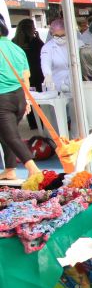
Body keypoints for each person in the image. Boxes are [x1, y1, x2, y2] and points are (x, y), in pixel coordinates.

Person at [0, 14, 39, 181]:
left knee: (11, 136)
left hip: (3, 98)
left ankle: (33, 168)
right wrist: (27, 100)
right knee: (5, 134)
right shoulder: (16, 48)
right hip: (19, 98)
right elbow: (26, 76)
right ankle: (10, 169)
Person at [12, 18, 45, 129]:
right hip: (36, 74)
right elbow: (43, 53)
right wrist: (38, 38)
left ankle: (32, 123)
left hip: (21, 75)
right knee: (39, 101)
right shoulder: (35, 41)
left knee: (28, 99)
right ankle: (40, 123)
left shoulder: (14, 42)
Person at [40, 19, 71, 92]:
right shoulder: (48, 47)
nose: (60, 38)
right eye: (56, 36)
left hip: (74, 84)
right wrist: (47, 75)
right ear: (51, 34)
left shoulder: (74, 44)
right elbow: (45, 63)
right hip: (56, 84)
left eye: (63, 35)